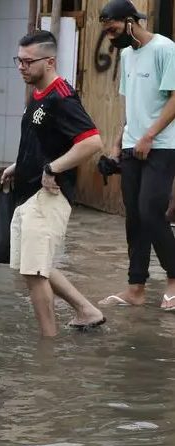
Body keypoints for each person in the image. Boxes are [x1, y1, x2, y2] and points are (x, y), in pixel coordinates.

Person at [0, 30, 106, 337]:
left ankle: (47, 345)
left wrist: (53, 168)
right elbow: (45, 142)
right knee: (33, 267)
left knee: (34, 272)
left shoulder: (62, 98)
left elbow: (92, 142)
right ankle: (87, 311)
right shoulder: (38, 95)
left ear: (50, 62)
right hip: (29, 191)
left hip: (48, 195)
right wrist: (19, 165)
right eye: (18, 60)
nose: (21, 67)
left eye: (28, 62)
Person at [97, 0, 175, 311]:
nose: (111, 36)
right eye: (106, 31)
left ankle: (173, 280)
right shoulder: (127, 55)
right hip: (132, 146)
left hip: (162, 145)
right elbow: (131, 107)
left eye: (113, 29)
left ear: (130, 21)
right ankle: (136, 288)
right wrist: (118, 144)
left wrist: (149, 136)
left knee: (151, 212)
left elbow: (174, 99)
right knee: (134, 219)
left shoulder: (165, 48)